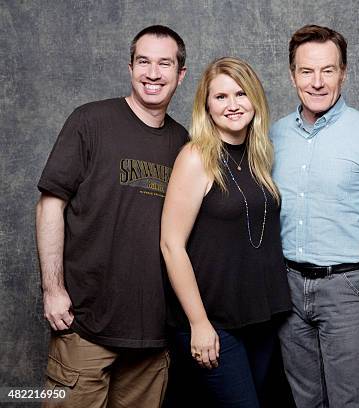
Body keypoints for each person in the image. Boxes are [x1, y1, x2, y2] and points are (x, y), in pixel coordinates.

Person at [36, 25, 188, 407]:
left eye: (164, 64)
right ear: (130, 67)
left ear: (180, 74)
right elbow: (50, 204)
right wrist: (53, 290)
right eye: (144, 62)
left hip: (153, 336)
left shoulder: (183, 143)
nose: (153, 73)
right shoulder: (90, 121)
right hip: (85, 327)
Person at [271, 25, 359, 408]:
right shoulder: (274, 135)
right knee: (304, 400)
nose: (317, 82)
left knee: (350, 402)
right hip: (289, 289)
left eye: (328, 70)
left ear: (343, 72)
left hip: (348, 290)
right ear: (292, 74)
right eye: (306, 71)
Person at [160, 56, 291, 408]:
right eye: (220, 97)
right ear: (206, 105)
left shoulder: (259, 154)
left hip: (260, 316)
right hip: (214, 319)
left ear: (255, 99)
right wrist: (199, 323)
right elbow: (171, 245)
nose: (232, 105)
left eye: (240, 94)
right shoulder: (195, 157)